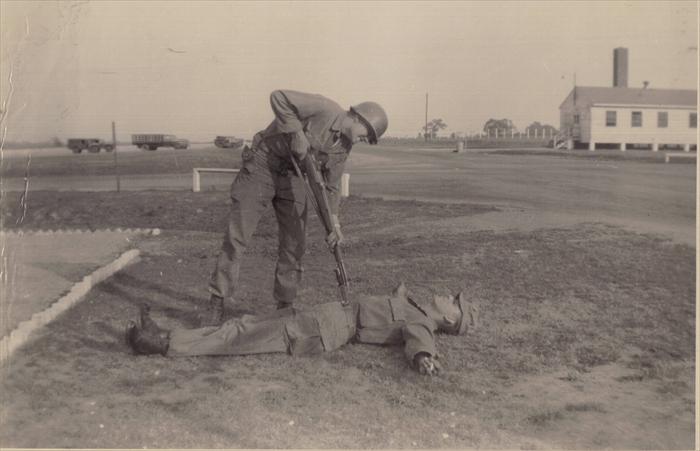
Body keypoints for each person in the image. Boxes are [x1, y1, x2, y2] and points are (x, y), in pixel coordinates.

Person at [203, 90, 389, 326]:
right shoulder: (324, 107)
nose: (365, 141)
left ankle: (284, 306)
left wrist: (334, 223)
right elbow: (278, 97)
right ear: (357, 118)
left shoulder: (343, 147)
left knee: (295, 243)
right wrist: (297, 133)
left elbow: (330, 188)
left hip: (294, 177)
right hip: (262, 165)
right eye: (367, 134)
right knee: (237, 237)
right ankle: (217, 301)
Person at [125, 283, 479, 376]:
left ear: (450, 319)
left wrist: (424, 360)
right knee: (242, 325)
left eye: (454, 301)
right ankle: (167, 335)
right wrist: (400, 294)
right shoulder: (414, 307)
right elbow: (392, 309)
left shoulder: (421, 324)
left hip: (322, 331)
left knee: (239, 338)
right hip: (323, 318)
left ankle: (158, 346)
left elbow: (418, 343)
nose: (449, 295)